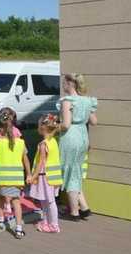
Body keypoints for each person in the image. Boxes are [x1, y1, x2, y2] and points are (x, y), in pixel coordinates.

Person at [59, 73, 98, 221]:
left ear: (70, 84)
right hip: (83, 136)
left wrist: (54, 127)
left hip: (71, 137)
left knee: (69, 173)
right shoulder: (88, 101)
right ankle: (85, 208)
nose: (63, 85)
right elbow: (94, 121)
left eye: (64, 82)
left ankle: (74, 212)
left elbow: (66, 125)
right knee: (75, 172)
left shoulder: (67, 101)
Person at [0, 110, 32, 239]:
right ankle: (19, 228)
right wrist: (29, 174)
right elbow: (25, 159)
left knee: (0, 198)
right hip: (16, 178)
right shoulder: (20, 143)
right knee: (16, 201)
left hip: (0, 176)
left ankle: (1, 219)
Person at [29, 114, 63, 233]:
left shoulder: (43, 144)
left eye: (39, 125)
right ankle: (46, 222)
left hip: (45, 176)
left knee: (49, 201)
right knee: (46, 200)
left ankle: (53, 225)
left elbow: (41, 163)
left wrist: (33, 176)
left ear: (43, 128)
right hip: (53, 176)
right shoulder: (53, 141)